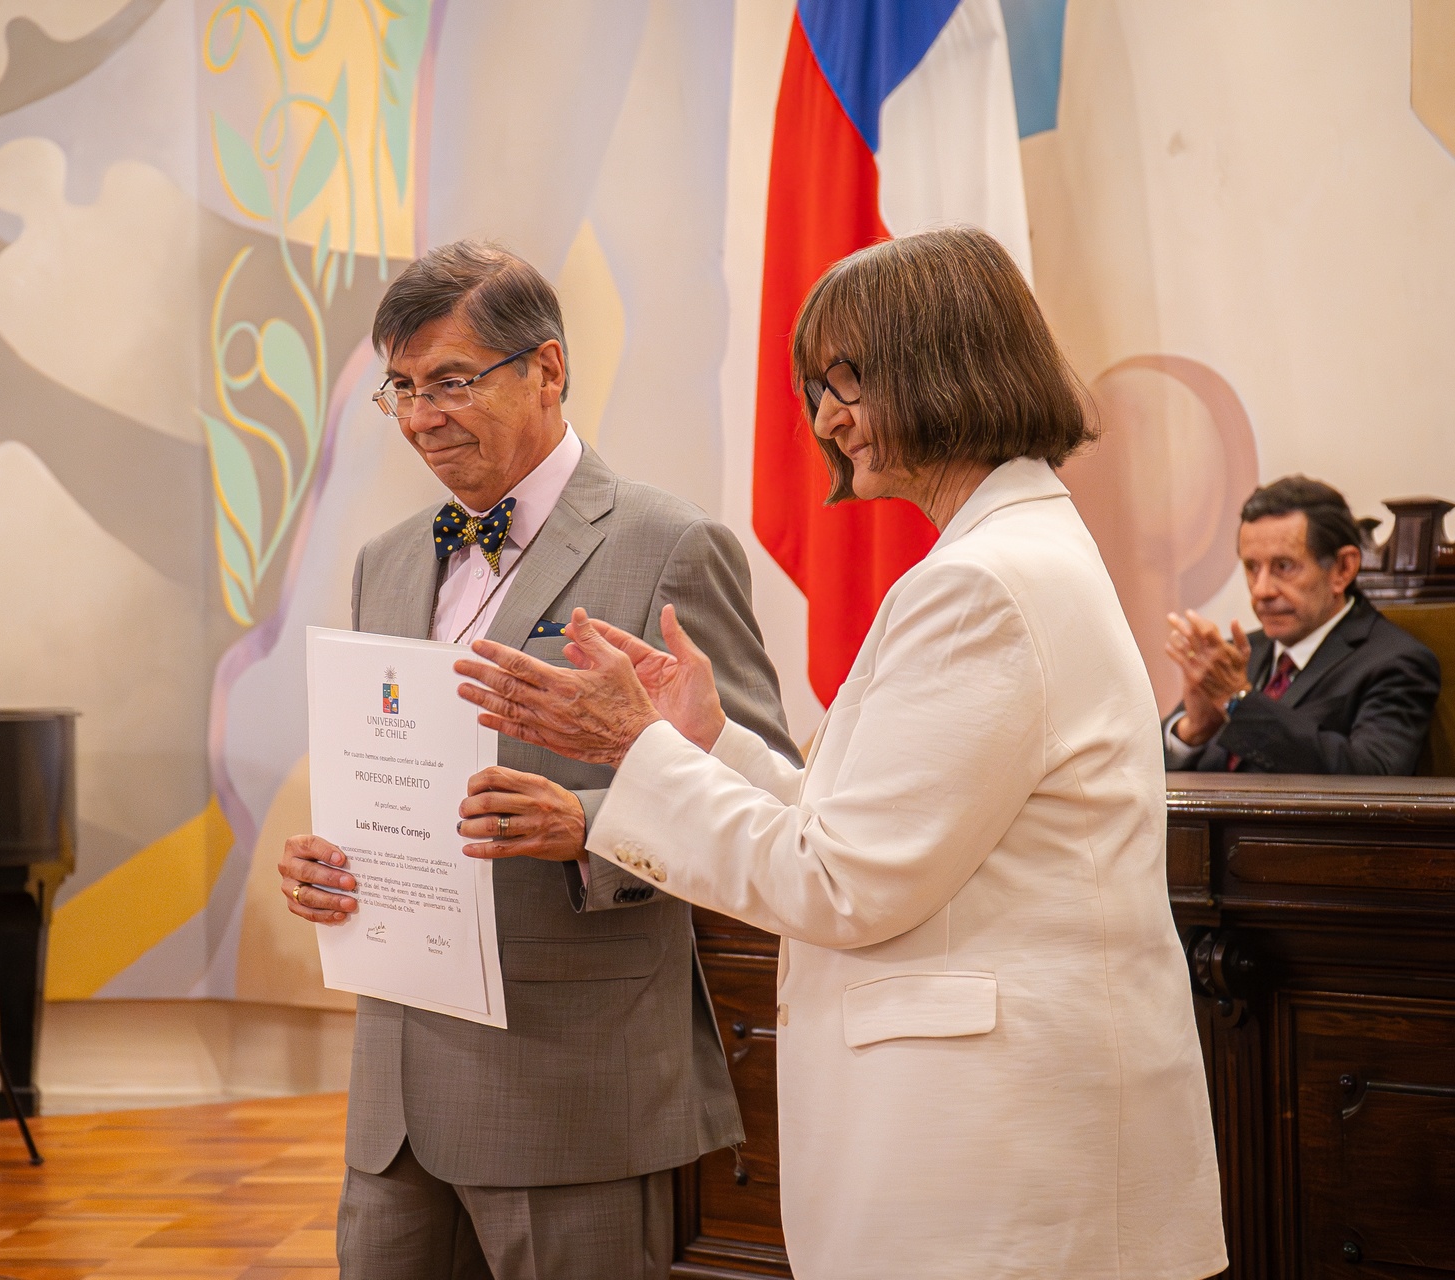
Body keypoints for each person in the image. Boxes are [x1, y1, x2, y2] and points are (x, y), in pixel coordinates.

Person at [454, 227, 1227, 1279]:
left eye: (849, 380)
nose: (827, 418)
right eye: (819, 386)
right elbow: (862, 831)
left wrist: (631, 748)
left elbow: (841, 882)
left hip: (993, 1154)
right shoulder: (1010, 554)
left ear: (948, 364)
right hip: (1000, 1132)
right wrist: (707, 737)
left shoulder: (980, 585)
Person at [278, 241, 798, 1279]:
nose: (424, 415)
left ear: (548, 370)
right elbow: (389, 776)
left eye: (454, 382)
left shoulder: (670, 544)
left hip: (572, 1090)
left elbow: (759, 789)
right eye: (405, 389)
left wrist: (590, 827)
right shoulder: (388, 560)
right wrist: (329, 863)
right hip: (396, 1101)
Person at [1161, 476, 1439, 773]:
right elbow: (1147, 774)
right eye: (1252, 568)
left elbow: (1371, 777)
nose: (1261, 590)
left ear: (1343, 569)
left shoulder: (1396, 662)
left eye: (1284, 566)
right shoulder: (1236, 657)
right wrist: (1192, 732)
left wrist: (1238, 700)